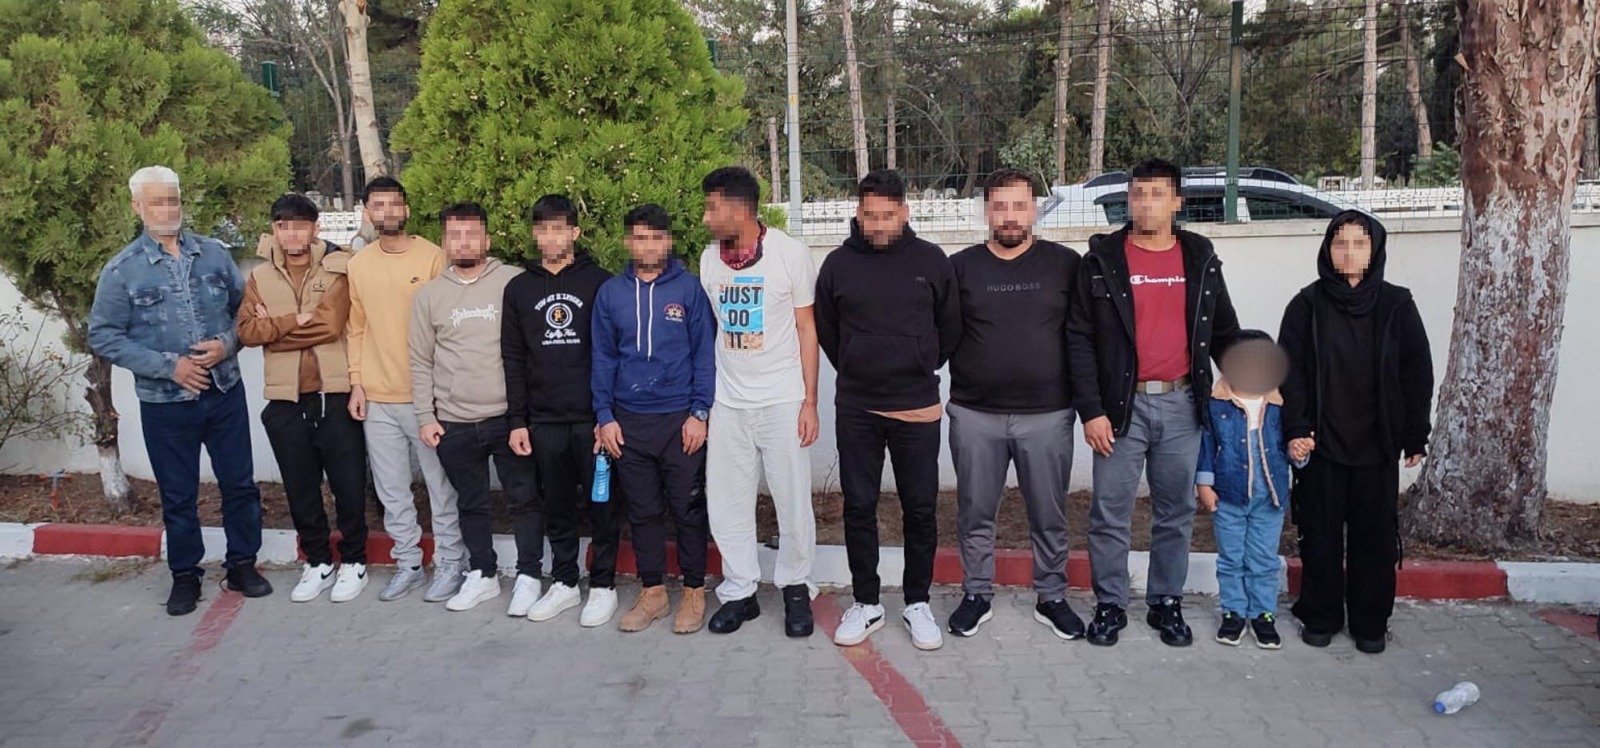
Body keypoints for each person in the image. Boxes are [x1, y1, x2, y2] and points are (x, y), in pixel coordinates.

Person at [1066, 158, 1240, 647]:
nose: (1146, 203)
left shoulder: (1199, 257)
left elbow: (1224, 330)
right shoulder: (1101, 260)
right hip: (1120, 409)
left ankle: (1166, 602)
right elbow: (1079, 339)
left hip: (1183, 405)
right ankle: (1110, 604)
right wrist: (1091, 411)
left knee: (1175, 511)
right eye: (1138, 194)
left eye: (1157, 194)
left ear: (1177, 201)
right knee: (1110, 512)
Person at [88, 166, 270, 616]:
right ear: (138, 207)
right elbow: (104, 336)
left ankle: (242, 564)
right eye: (157, 202)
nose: (168, 210)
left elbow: (246, 313)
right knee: (178, 494)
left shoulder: (214, 255)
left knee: (239, 484)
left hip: (224, 392)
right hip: (166, 405)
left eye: (173, 200)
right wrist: (171, 368)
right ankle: (185, 575)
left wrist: (226, 344)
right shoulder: (122, 270)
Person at [816, 169, 961, 651]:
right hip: (857, 406)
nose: (877, 224)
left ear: (904, 212)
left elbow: (950, 327)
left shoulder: (931, 261)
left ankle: (917, 602)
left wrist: (920, 361)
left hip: (916, 405)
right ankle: (867, 602)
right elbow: (829, 331)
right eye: (869, 215)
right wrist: (857, 361)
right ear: (857, 213)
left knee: (920, 507)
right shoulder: (838, 264)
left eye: (886, 215)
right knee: (859, 505)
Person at [1279, 210, 1433, 655]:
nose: (1348, 252)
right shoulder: (1306, 305)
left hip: (1377, 444)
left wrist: (1415, 434)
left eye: (1359, 243)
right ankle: (1320, 615)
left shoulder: (1397, 305)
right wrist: (1296, 428)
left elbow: (1416, 371)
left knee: (1374, 539)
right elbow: (1290, 373)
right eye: (1340, 243)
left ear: (1374, 251)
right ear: (1327, 249)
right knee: (1320, 535)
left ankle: (1370, 622)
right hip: (1322, 442)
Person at [945, 168, 1085, 640]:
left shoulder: (1065, 265)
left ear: (1034, 209)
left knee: (1049, 513)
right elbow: (940, 334)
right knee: (974, 511)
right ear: (986, 210)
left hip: (1047, 414)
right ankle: (976, 594)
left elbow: (1082, 335)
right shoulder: (960, 268)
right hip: (975, 414)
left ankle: (1052, 596)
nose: (1009, 216)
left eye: (1019, 206)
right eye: (1000, 206)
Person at [697, 167, 820, 638]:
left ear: (739, 209)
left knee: (792, 501)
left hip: (782, 400)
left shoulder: (790, 254)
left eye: (712, 208)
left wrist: (810, 402)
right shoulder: (709, 261)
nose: (706, 218)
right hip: (729, 402)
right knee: (727, 501)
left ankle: (795, 588)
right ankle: (739, 591)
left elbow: (807, 328)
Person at [237, 193, 369, 604]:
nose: (292, 234)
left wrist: (274, 331)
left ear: (315, 228)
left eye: (300, 225)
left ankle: (354, 560)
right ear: (274, 230)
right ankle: (318, 561)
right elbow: (246, 332)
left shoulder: (337, 268)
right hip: (285, 400)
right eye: (283, 226)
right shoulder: (260, 277)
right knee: (300, 487)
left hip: (333, 394)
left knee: (348, 485)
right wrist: (293, 320)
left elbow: (330, 326)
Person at [592, 204, 717, 634]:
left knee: (687, 509)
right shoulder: (611, 294)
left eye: (657, 238)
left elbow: (704, 355)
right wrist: (605, 416)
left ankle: (694, 591)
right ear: (628, 242)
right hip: (628, 422)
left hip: (680, 420)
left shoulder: (689, 289)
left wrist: (699, 412)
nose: (649, 246)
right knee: (643, 511)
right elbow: (603, 358)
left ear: (669, 241)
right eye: (640, 238)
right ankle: (653, 593)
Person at [409, 202, 535, 613]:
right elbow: (420, 360)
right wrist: (426, 417)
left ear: (487, 239)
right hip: (455, 421)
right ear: (444, 242)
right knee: (471, 503)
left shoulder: (514, 282)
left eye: (471, 234)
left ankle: (529, 575)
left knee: (524, 499)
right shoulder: (429, 296)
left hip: (509, 418)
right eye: (455, 235)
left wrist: (527, 413)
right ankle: (482, 573)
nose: (463, 242)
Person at [345, 176, 466, 603]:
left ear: (407, 209)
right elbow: (356, 327)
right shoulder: (359, 264)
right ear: (367, 213)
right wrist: (357, 383)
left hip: (426, 399)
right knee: (392, 489)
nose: (388, 212)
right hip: (377, 398)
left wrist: (439, 392)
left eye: (394, 204)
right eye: (378, 205)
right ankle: (409, 563)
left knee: (441, 487)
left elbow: (446, 327)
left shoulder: (433, 257)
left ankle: (451, 562)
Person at [502, 194, 621, 626]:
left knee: (603, 504)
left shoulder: (600, 283)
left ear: (575, 232)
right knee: (557, 507)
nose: (551, 237)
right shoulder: (519, 289)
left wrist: (608, 417)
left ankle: (603, 585)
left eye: (559, 228)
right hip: (544, 421)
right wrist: (518, 421)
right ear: (535, 234)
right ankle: (567, 582)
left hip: (593, 421)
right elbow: (513, 358)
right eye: (543, 229)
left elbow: (612, 354)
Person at [1195, 330, 1304, 649]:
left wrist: (1299, 452)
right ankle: (1233, 612)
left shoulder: (1280, 404)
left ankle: (1262, 614)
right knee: (1231, 558)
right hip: (1228, 495)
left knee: (1263, 559)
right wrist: (1204, 483)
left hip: (1269, 497)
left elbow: (1292, 442)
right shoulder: (1216, 403)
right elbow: (1206, 443)